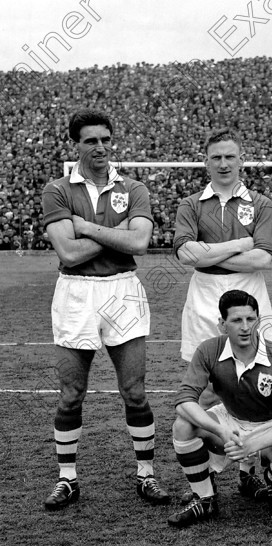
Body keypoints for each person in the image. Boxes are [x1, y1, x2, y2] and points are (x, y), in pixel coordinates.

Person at [41, 109, 170, 510]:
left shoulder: (133, 188)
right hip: (76, 292)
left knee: (134, 391)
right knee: (70, 393)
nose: (100, 147)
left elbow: (139, 245)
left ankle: (146, 475)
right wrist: (120, 235)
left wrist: (88, 227)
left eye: (105, 139)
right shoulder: (57, 189)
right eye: (91, 140)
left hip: (122, 291)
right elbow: (68, 252)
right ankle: (67, 479)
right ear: (76, 144)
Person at [173, 128, 272, 493]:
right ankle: (207, 477)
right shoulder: (190, 204)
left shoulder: (261, 203)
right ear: (206, 162)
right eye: (216, 157)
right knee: (204, 391)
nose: (223, 164)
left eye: (230, 157)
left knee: (256, 388)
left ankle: (251, 473)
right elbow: (187, 255)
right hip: (203, 301)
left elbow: (262, 256)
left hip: (249, 299)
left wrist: (210, 253)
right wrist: (240, 243)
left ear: (241, 161)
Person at [167, 290, 272, 527]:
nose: (245, 327)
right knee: (183, 425)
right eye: (236, 320)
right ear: (222, 324)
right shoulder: (209, 349)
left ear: (258, 321)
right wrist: (219, 431)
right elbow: (184, 401)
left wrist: (250, 445)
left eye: (251, 320)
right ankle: (205, 498)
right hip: (230, 419)